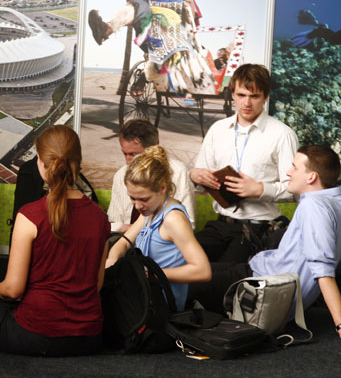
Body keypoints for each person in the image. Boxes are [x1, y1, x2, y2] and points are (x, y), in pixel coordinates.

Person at [188, 145, 341, 343]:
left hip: (258, 286)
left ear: (311, 177)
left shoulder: (313, 207)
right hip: (262, 271)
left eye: (294, 167)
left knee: (187, 278)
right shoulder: (337, 202)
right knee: (202, 270)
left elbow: (323, 271)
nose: (288, 172)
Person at [0, 125, 111, 356]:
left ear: (43, 165)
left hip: (35, 335)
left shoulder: (30, 215)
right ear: (77, 163)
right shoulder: (100, 217)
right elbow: (96, 285)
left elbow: (13, 291)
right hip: (89, 337)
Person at [189, 63, 298, 263]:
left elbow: (295, 190)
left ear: (265, 96)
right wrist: (195, 176)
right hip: (220, 224)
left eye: (254, 96)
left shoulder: (282, 134)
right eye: (241, 95)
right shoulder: (217, 129)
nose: (246, 103)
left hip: (257, 227)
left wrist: (259, 189)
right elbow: (200, 176)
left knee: (222, 275)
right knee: (182, 258)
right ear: (232, 94)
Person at [105, 147, 210, 310]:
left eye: (144, 199)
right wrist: (111, 260)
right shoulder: (150, 210)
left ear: (162, 188)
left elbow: (202, 271)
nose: (138, 205)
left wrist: (153, 274)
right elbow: (125, 241)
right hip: (144, 297)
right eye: (132, 198)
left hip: (161, 307)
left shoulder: (173, 219)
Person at [87, 0, 213, 95]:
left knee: (169, 46)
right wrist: (134, 4)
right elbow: (142, 14)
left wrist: (189, 3)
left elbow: (190, 20)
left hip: (175, 38)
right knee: (139, 5)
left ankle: (144, 77)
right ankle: (106, 30)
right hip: (151, 34)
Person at [108, 119, 195, 232]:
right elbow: (113, 221)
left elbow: (188, 223)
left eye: (133, 155)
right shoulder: (121, 175)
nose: (128, 162)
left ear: (153, 150)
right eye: (124, 154)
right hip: (127, 240)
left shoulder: (178, 172)